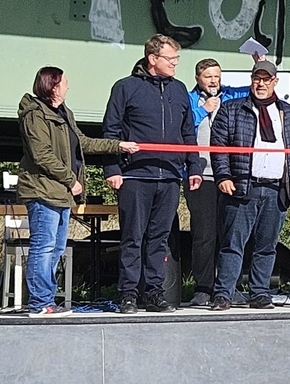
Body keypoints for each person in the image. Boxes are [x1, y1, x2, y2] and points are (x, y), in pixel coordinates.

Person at [17, 68, 138, 316]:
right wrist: (71, 180)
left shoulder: (65, 114)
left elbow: (83, 142)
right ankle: (39, 303)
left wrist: (118, 145)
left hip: (61, 194)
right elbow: (42, 155)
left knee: (57, 248)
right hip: (43, 191)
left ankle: (46, 301)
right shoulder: (34, 115)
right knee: (44, 246)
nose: (68, 87)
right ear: (52, 85)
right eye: (64, 83)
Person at [103, 35, 203, 314]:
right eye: (170, 59)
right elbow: (111, 131)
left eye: (176, 59)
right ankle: (128, 294)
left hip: (170, 176)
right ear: (153, 59)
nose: (175, 64)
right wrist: (112, 168)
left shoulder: (180, 90)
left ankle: (155, 293)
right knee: (132, 238)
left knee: (160, 240)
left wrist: (193, 167)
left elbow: (188, 132)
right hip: (136, 176)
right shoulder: (126, 88)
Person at [209, 60, 290, 310]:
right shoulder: (231, 109)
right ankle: (223, 294)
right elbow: (218, 146)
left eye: (266, 79)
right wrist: (223, 176)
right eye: (257, 79)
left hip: (276, 189)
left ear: (275, 82)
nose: (261, 83)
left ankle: (260, 292)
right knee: (232, 244)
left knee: (267, 246)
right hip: (242, 185)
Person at [185, 57, 252, 307]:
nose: (214, 80)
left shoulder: (231, 97)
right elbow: (182, 126)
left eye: (217, 76)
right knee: (204, 234)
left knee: (230, 233)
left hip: (229, 174)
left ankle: (228, 286)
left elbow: (257, 89)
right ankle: (203, 287)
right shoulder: (190, 99)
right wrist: (205, 110)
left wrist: (260, 63)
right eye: (208, 76)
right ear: (197, 78)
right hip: (200, 175)